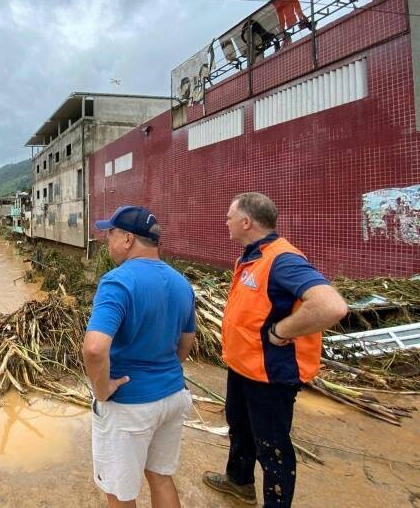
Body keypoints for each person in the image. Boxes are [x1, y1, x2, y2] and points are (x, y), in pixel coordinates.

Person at [203, 193, 348, 507]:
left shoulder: (283, 259)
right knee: (240, 427)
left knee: (272, 446)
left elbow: (331, 306)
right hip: (244, 366)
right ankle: (239, 482)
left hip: (269, 374)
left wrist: (282, 331)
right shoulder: (253, 255)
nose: (225, 222)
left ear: (246, 221)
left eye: (229, 216)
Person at [83, 205, 196, 508]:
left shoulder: (117, 281)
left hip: (131, 405)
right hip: (172, 395)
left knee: (120, 491)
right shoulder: (181, 283)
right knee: (160, 476)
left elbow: (94, 348)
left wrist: (102, 388)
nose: (107, 240)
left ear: (129, 240)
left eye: (111, 234)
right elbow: (186, 343)